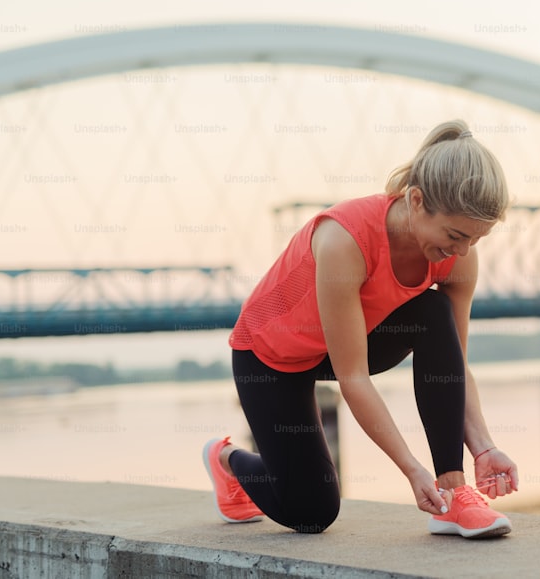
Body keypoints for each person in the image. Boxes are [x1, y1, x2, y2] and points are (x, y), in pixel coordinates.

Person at [202, 119, 519, 538]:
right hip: (271, 356)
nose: (460, 251)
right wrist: (411, 469)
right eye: (455, 235)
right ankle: (226, 460)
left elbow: (454, 365)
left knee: (433, 312)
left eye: (474, 240)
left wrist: (484, 446)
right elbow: (353, 378)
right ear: (417, 200)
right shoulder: (344, 240)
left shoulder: (457, 254)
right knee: (312, 512)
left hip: (352, 343)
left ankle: (454, 494)